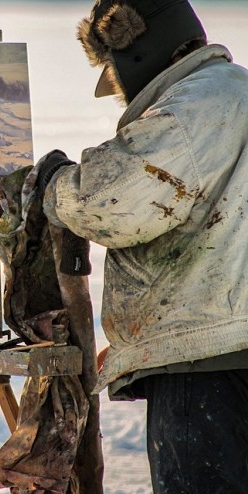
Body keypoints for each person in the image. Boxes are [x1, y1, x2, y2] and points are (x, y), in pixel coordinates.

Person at [34, 0, 248, 492]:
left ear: (135, 55)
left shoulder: (191, 108)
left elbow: (113, 202)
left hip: (206, 360)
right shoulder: (233, 88)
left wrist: (54, 184)